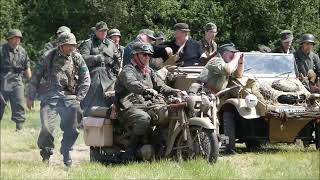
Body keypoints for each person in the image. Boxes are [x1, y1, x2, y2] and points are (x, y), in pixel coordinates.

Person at [26, 32, 90, 167]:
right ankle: (46, 155)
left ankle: (66, 151)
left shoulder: (77, 57)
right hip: (50, 98)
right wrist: (30, 96)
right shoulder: (48, 56)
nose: (71, 48)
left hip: (70, 98)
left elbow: (86, 79)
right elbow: (36, 77)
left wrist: (79, 98)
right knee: (46, 129)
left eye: (73, 45)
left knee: (73, 130)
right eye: (68, 45)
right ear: (61, 45)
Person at [115, 42, 180, 159]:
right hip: (128, 106)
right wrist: (146, 89)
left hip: (146, 104)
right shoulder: (128, 70)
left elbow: (161, 86)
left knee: (166, 113)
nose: (147, 58)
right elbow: (131, 83)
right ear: (135, 55)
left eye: (149, 55)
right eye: (144, 55)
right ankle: (130, 149)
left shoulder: (149, 71)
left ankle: (159, 144)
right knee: (143, 119)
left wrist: (175, 91)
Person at [78, 21, 121, 116]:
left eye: (105, 31)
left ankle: (110, 118)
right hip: (93, 74)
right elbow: (81, 58)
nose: (103, 33)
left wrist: (117, 71)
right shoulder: (88, 43)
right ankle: (86, 118)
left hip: (109, 75)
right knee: (92, 98)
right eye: (101, 31)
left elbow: (117, 60)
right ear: (96, 31)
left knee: (112, 97)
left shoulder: (111, 44)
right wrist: (95, 58)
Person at [0, 29, 32, 131]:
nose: (17, 40)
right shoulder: (1, 50)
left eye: (19, 38)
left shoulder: (22, 51)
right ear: (9, 39)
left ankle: (19, 128)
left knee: (19, 104)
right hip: (3, 80)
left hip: (17, 80)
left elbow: (27, 68)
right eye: (15, 38)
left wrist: (31, 84)